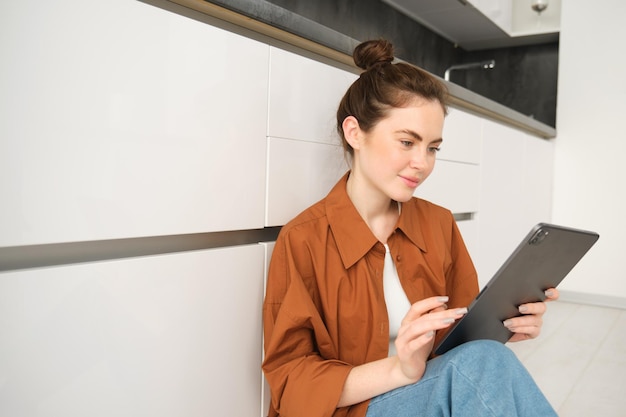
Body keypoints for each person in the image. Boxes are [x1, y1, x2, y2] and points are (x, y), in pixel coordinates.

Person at [262, 39, 559, 417]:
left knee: (487, 358)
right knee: (482, 364)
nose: (422, 163)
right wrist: (400, 368)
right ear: (355, 133)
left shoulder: (438, 223)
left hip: (428, 397)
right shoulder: (304, 239)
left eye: (433, 148)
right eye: (407, 142)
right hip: (356, 409)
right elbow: (291, 385)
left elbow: (461, 343)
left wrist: (505, 328)